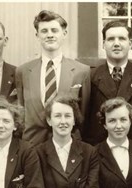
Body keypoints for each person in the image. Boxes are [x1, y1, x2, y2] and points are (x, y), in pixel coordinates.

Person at [16, 10, 91, 147]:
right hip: (32, 146)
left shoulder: (81, 71)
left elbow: (83, 114)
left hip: (68, 144)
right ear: (37, 35)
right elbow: (21, 112)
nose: (49, 35)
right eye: (44, 31)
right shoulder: (24, 71)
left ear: (64, 34)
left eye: (54, 30)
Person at [83, 20, 132, 146]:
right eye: (110, 39)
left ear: (130, 43)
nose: (116, 44)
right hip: (101, 150)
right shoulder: (90, 77)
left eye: (121, 38)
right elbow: (85, 118)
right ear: (103, 44)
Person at [36, 95, 101, 188]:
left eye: (68, 116)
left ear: (74, 120)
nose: (63, 121)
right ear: (49, 120)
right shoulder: (37, 153)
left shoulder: (89, 152)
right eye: (57, 116)